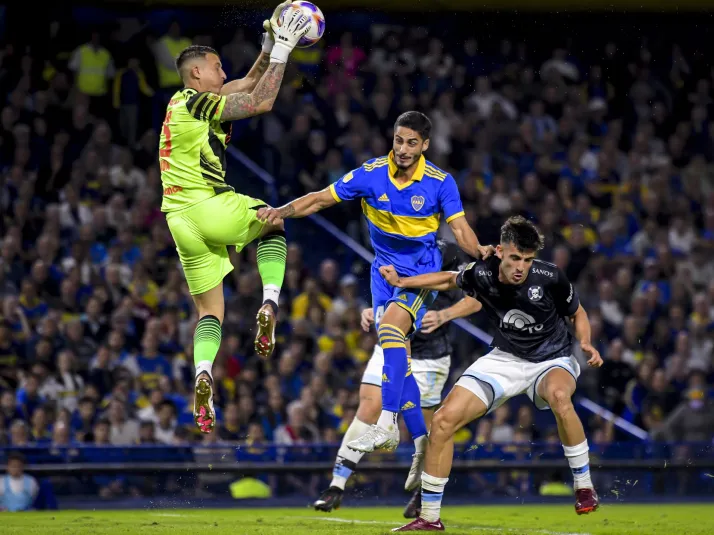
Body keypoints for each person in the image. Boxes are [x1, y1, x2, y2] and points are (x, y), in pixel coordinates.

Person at [258, 111, 493, 458]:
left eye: (412, 142)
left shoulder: (440, 182)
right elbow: (321, 198)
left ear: (425, 145)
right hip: (382, 273)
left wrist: (481, 250)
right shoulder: (371, 174)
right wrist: (281, 210)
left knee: (390, 332)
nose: (403, 148)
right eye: (399, 140)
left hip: (418, 274)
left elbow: (460, 231)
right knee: (399, 358)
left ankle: (386, 424)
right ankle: (420, 442)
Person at [379, 216, 603, 531]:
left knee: (558, 396)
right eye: (514, 258)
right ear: (500, 251)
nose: (520, 267)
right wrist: (402, 282)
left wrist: (586, 342)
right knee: (443, 421)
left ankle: (583, 485)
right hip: (504, 359)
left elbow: (577, 312)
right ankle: (429, 517)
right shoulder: (481, 273)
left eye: (527, 260)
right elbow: (448, 279)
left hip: (552, 359)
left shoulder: (550, 277)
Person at [158, 2, 312, 434]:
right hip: (207, 203)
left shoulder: (180, 103)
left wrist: (268, 49)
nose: (223, 74)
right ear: (195, 75)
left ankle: (202, 373)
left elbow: (245, 83)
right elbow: (260, 101)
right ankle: (270, 301)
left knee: (210, 312)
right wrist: (283, 52)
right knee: (275, 219)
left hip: (177, 219)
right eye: (216, 67)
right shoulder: (194, 103)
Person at [313, 241, 482, 515]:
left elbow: (478, 297)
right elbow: (389, 291)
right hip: (392, 344)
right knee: (368, 407)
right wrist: (373, 311)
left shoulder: (448, 252)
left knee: (430, 427)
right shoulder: (397, 244)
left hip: (429, 355)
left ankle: (425, 492)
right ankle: (337, 485)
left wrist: (445, 314)